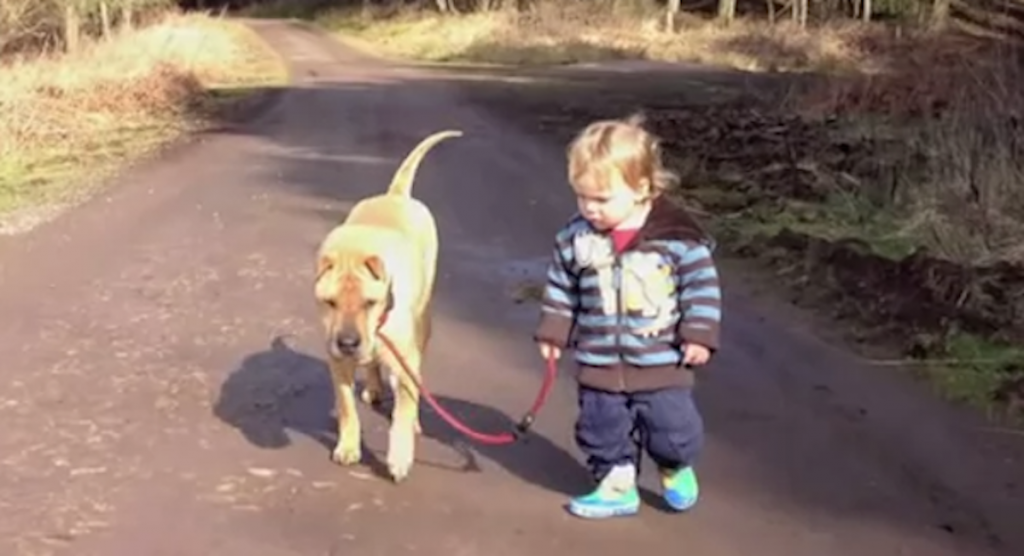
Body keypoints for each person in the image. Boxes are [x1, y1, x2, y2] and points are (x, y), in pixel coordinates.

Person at [534, 113, 722, 520]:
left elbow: (701, 287)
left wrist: (699, 334)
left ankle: (673, 465)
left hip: (661, 362)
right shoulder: (575, 239)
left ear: (641, 189)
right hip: (599, 360)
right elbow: (561, 288)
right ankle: (616, 482)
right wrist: (554, 331)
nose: (590, 209)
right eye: (582, 197)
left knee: (672, 429)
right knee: (601, 428)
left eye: (602, 199)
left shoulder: (675, 239)